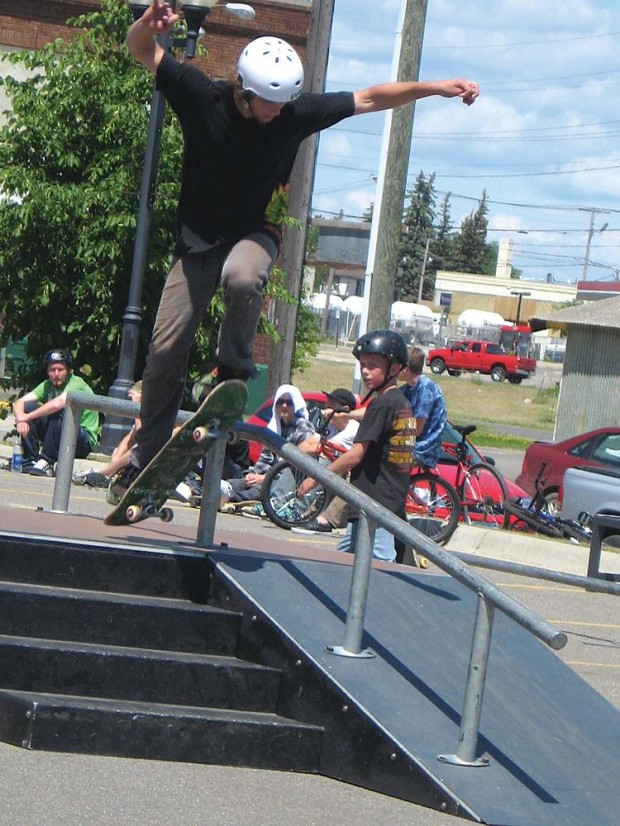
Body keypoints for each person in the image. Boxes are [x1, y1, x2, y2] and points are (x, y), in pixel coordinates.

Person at [113, 1, 479, 497]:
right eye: (268, 104)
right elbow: (144, 51)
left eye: (283, 104)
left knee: (243, 277)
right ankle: (146, 456)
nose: (276, 114)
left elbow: (371, 97)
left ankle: (233, 368)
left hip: (255, 232)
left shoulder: (295, 113)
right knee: (165, 349)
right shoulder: (201, 96)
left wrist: (436, 87)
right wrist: (144, 25)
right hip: (196, 241)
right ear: (243, 89)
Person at [299, 331, 415, 562]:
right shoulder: (400, 402)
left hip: (375, 501)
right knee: (343, 560)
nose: (365, 371)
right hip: (384, 498)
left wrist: (316, 478)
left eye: (373, 365)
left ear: (394, 369)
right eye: (363, 365)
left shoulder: (382, 405)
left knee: (381, 560)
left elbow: (355, 455)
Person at [12, 349, 100, 477]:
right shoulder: (48, 385)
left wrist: (27, 417)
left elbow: (58, 403)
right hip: (60, 434)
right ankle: (30, 459)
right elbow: (19, 403)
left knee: (58, 410)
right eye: (52, 370)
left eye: (60, 369)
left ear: (68, 371)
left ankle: (47, 461)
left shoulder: (76, 384)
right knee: (29, 407)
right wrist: (21, 419)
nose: (56, 374)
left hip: (82, 440)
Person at [227, 384, 316, 504]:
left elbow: (294, 470)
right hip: (266, 477)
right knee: (232, 483)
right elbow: (266, 460)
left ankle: (227, 497)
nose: (284, 406)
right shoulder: (274, 427)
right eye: (280, 402)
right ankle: (205, 493)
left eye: (289, 402)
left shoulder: (304, 430)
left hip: (284, 483)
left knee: (253, 492)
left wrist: (264, 478)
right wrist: (253, 474)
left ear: (296, 405)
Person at [294, 387, 360, 534]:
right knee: (296, 461)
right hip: (333, 469)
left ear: (345, 410)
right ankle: (277, 502)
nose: (326, 406)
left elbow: (319, 448)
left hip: (342, 472)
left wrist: (311, 450)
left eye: (331, 404)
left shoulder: (353, 428)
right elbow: (307, 445)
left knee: (323, 465)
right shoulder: (330, 425)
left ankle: (299, 510)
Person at [72, 381, 143, 488]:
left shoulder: (154, 410)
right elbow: (129, 439)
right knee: (120, 450)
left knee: (136, 449)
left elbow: (143, 435)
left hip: (154, 453)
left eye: (133, 396)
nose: (131, 401)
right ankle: (108, 474)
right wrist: (116, 459)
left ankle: (101, 473)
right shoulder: (141, 414)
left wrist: (137, 405)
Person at [400, 347, 447, 469]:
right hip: (412, 445)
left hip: (423, 450)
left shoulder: (425, 389)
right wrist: (349, 414)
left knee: (382, 458)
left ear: (405, 368)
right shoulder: (407, 389)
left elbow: (417, 430)